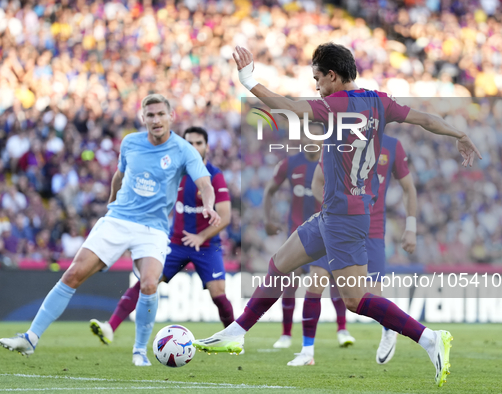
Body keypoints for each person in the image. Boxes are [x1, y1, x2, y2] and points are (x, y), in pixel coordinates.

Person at [194, 44, 481, 387]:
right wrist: (459, 133)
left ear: (333, 75)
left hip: (346, 216)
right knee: (280, 263)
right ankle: (237, 332)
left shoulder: (337, 105)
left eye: (317, 78)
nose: (316, 86)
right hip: (336, 212)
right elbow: (424, 119)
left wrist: (248, 80)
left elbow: (287, 107)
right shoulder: (379, 100)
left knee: (355, 299)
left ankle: (429, 337)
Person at [0, 94, 221, 367]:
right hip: (118, 219)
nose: (155, 120)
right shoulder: (130, 142)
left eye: (160, 114)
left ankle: (140, 351)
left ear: (171, 116)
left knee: (150, 283)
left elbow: (205, 184)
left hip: (153, 228)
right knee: (73, 274)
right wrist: (112, 198)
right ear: (143, 118)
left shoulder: (184, 149)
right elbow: (120, 174)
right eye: (150, 115)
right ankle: (31, 338)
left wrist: (209, 205)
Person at [89, 127, 234, 344]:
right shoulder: (173, 171)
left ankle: (233, 339)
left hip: (206, 245)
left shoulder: (214, 175)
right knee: (147, 281)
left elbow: (225, 216)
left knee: (218, 293)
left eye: (199, 143)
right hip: (175, 243)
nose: (194, 148)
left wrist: (201, 236)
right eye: (190, 143)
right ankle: (110, 327)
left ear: (207, 147)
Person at [294, 134, 417, 367]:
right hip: (334, 225)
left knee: (369, 297)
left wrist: (410, 227)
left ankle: (389, 327)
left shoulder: (392, 145)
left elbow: (409, 187)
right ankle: (307, 350)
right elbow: (317, 183)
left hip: (372, 230)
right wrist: (332, 208)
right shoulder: (340, 141)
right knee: (316, 280)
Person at [263, 121, 354, 353]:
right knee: (290, 282)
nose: (312, 140)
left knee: (330, 280)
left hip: (325, 232)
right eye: (308, 135)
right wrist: (268, 219)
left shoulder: (334, 163)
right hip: (297, 233)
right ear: (301, 139)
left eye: (317, 136)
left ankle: (341, 329)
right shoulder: (290, 164)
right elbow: (269, 191)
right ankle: (285, 334)